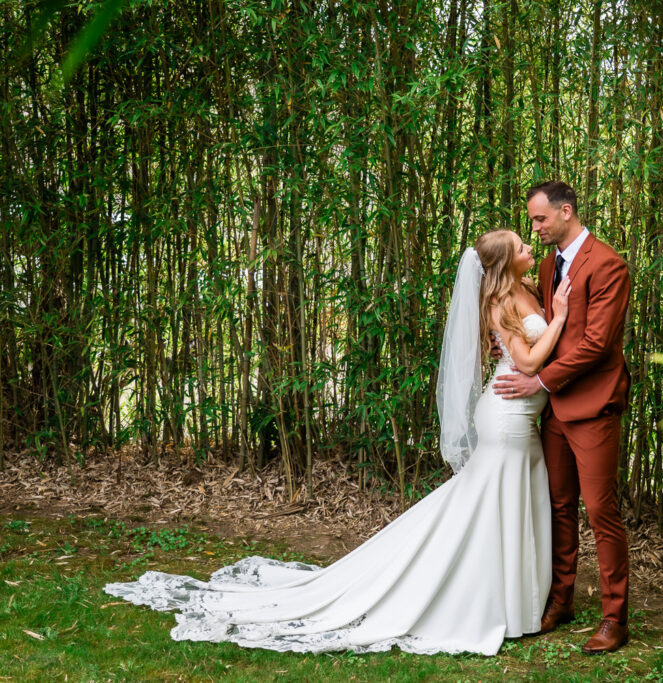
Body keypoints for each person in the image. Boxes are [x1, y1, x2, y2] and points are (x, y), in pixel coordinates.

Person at [103, 229, 571, 656]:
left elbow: (520, 353)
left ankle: (513, 605)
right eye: (521, 246)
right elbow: (528, 363)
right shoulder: (502, 303)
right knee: (494, 504)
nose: (530, 247)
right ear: (506, 262)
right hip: (508, 418)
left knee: (499, 505)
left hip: (518, 420)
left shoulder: (525, 290)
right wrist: (562, 317)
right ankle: (488, 601)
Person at [492, 180, 632, 654]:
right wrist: (510, 345)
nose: (535, 227)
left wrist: (540, 380)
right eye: (532, 221)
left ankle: (614, 618)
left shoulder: (609, 264)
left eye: (539, 220)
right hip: (553, 412)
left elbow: (597, 343)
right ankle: (562, 598)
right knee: (558, 507)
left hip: (592, 406)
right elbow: (518, 312)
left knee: (601, 512)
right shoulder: (549, 266)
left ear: (565, 212)